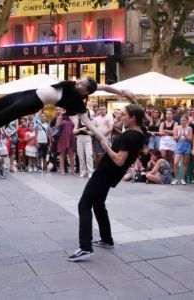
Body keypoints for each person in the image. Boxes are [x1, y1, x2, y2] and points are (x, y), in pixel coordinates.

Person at [68, 103, 146, 262]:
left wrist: (106, 146)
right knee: (98, 204)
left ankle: (85, 247)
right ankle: (106, 239)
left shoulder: (129, 136)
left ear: (133, 118)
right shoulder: (140, 133)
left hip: (105, 173)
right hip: (111, 174)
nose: (120, 117)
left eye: (124, 115)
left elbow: (118, 160)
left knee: (84, 204)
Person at [0, 77, 135, 147]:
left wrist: (102, 137)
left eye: (82, 83)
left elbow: (89, 123)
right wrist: (121, 91)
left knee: (1, 117)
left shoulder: (77, 101)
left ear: (85, 91)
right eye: (80, 80)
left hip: (33, 102)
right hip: (30, 93)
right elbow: (102, 87)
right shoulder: (76, 85)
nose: (78, 81)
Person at [172, 115, 193, 185]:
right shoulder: (177, 127)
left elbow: (190, 139)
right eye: (182, 120)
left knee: (185, 163)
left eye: (184, 120)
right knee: (176, 162)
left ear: (187, 121)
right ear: (180, 121)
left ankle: (183, 179)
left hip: (187, 145)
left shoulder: (189, 128)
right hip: (179, 145)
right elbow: (174, 138)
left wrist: (185, 136)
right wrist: (179, 135)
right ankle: (176, 178)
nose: (183, 121)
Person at [74, 112, 94, 178]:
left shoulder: (90, 121)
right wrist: (81, 129)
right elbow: (74, 131)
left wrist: (87, 131)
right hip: (79, 138)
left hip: (87, 138)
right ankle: (83, 171)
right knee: (81, 156)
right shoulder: (78, 121)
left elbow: (93, 133)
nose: (84, 114)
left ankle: (90, 172)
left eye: (85, 112)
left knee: (89, 155)